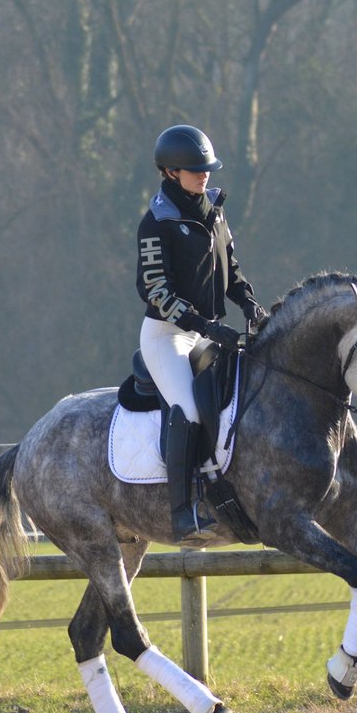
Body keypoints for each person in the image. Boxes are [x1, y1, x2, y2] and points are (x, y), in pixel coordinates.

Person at [136, 124, 267, 543]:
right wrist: (206, 326)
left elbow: (233, 268)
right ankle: (182, 513)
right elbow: (156, 291)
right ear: (171, 172)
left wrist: (248, 302)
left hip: (208, 334)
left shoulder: (214, 209)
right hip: (167, 336)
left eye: (206, 168)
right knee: (189, 412)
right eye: (195, 169)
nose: (204, 174)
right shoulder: (157, 222)